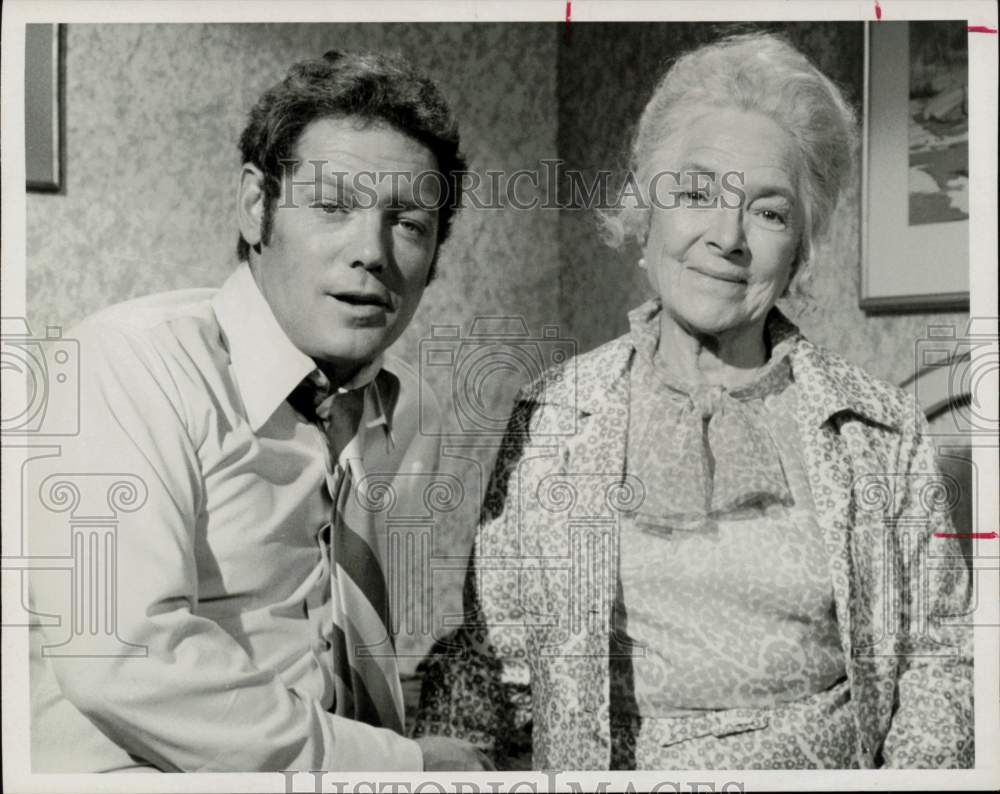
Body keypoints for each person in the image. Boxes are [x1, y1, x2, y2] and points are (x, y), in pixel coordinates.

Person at [414, 33, 974, 770]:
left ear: (800, 250)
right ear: (646, 212)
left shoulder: (877, 427)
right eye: (697, 194)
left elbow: (943, 660)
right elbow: (496, 657)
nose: (727, 237)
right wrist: (428, 762)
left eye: (769, 213)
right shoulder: (551, 414)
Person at [29, 48, 491, 772]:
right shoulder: (123, 365)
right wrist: (398, 767)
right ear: (256, 206)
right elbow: (117, 660)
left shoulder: (407, 409)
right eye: (334, 206)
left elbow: (348, 645)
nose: (370, 252)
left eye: (408, 223)